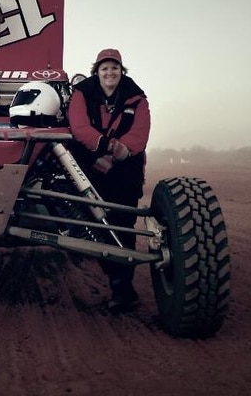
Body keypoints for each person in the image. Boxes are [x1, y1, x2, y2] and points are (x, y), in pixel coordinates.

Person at [67, 48, 151, 312]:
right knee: (96, 223)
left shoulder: (137, 98)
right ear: (97, 72)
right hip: (90, 166)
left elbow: (140, 133)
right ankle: (112, 272)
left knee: (123, 224)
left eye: (114, 68)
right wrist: (103, 146)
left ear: (121, 71)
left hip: (125, 169)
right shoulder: (82, 93)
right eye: (104, 68)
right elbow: (78, 126)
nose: (109, 73)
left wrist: (114, 156)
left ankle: (122, 287)